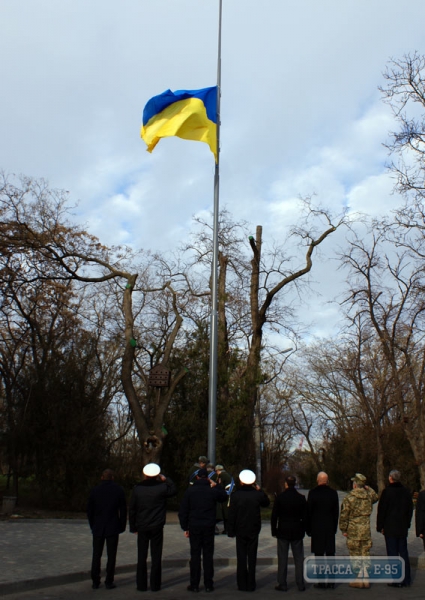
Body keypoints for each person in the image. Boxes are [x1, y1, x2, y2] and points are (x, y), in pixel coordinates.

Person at [129, 463, 176, 592]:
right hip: (157, 525)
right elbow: (174, 490)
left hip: (142, 525)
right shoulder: (161, 488)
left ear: (145, 475)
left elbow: (132, 509)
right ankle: (155, 585)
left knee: (141, 556)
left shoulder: (138, 489)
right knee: (156, 556)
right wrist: (166, 479)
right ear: (157, 475)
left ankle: (141, 585)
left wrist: (133, 526)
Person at [179, 467, 228, 592]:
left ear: (196, 477)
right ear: (207, 478)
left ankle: (194, 584)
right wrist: (216, 485)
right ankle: (208, 584)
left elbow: (183, 511)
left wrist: (185, 527)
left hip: (194, 526)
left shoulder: (190, 491)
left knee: (195, 556)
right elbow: (224, 496)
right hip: (208, 527)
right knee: (208, 556)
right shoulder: (211, 491)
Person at [227, 469, 270, 592]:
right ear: (253, 482)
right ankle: (251, 584)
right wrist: (260, 490)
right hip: (253, 529)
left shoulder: (235, 496)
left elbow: (232, 514)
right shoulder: (257, 495)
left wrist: (230, 530)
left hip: (240, 529)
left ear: (241, 482)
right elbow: (266, 503)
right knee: (252, 557)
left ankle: (242, 584)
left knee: (241, 557)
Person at [87, 468, 127, 590]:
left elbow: (90, 511)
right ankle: (109, 581)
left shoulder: (95, 490)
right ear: (113, 478)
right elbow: (123, 510)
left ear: (102, 477)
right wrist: (122, 525)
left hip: (98, 526)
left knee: (96, 554)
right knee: (111, 555)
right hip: (113, 526)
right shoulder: (118, 490)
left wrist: (92, 525)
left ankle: (95, 580)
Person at [339, 473, 378, 589]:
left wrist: (343, 528)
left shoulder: (350, 497)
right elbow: (375, 497)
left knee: (355, 553)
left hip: (353, 529)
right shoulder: (368, 496)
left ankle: (358, 578)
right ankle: (366, 577)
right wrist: (368, 487)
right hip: (365, 528)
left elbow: (344, 515)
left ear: (355, 485)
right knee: (365, 552)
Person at [376, 469, 413, 588]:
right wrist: (407, 523)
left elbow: (382, 510)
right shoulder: (406, 492)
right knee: (403, 552)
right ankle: (406, 578)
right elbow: (409, 510)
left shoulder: (387, 492)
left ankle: (396, 578)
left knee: (392, 553)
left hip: (390, 527)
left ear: (390, 478)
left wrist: (380, 526)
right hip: (402, 527)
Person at [271, 475, 307, 592]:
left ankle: (282, 583)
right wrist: (304, 529)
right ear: (295, 484)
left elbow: (274, 516)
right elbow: (305, 516)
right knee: (298, 559)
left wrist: (274, 530)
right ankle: (300, 583)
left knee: (283, 558)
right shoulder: (301, 498)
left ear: (286, 484)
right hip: (297, 530)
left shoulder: (280, 498)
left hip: (283, 530)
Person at [306, 471, 339, 589]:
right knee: (330, 554)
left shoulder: (312, 493)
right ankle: (331, 581)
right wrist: (335, 527)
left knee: (319, 555)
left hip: (317, 528)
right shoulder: (333, 493)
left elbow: (308, 512)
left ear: (317, 480)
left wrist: (308, 529)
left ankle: (321, 581)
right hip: (329, 528)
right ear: (327, 480)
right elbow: (336, 513)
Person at [214, 464, 234, 535]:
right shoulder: (227, 474)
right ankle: (228, 529)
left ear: (218, 470)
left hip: (226, 496)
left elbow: (220, 486)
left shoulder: (221, 476)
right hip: (230, 495)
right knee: (228, 513)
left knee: (226, 513)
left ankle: (228, 529)